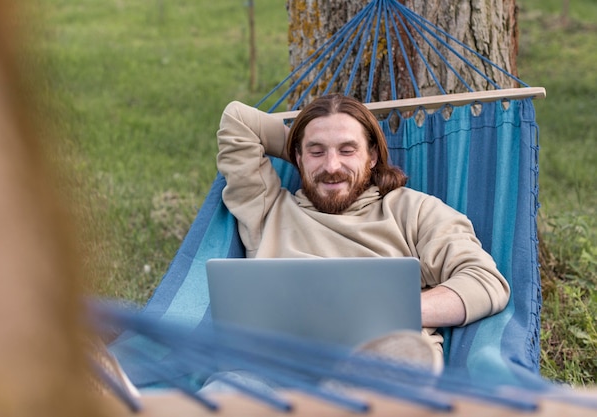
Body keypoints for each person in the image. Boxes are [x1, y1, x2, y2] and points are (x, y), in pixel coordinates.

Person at [214, 93, 510, 374]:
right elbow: (238, 120)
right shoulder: (265, 208)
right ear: (297, 158)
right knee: (225, 391)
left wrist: (391, 310)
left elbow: (485, 282)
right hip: (273, 371)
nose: (332, 167)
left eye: (347, 150)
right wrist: (301, 145)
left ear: (372, 157)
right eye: (316, 151)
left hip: (380, 369)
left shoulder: (413, 211)